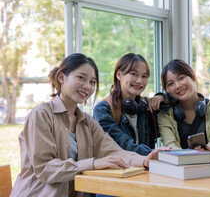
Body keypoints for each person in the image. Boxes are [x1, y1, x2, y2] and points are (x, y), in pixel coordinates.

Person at [10, 53, 168, 197]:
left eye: (92, 82)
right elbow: (45, 168)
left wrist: (145, 160)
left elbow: (115, 152)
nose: (87, 86)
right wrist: (92, 163)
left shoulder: (88, 122)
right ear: (61, 77)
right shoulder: (41, 114)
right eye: (81, 78)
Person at [157, 59, 210, 162]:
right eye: (171, 84)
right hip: (179, 169)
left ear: (193, 76)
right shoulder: (165, 115)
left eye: (181, 78)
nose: (177, 86)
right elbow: (170, 146)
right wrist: (191, 156)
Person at [93, 53, 159, 156]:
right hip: (117, 170)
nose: (139, 81)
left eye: (144, 76)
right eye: (134, 74)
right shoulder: (103, 110)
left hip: (145, 170)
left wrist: (162, 97)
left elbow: (176, 105)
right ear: (119, 75)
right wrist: (155, 154)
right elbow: (122, 145)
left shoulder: (145, 107)